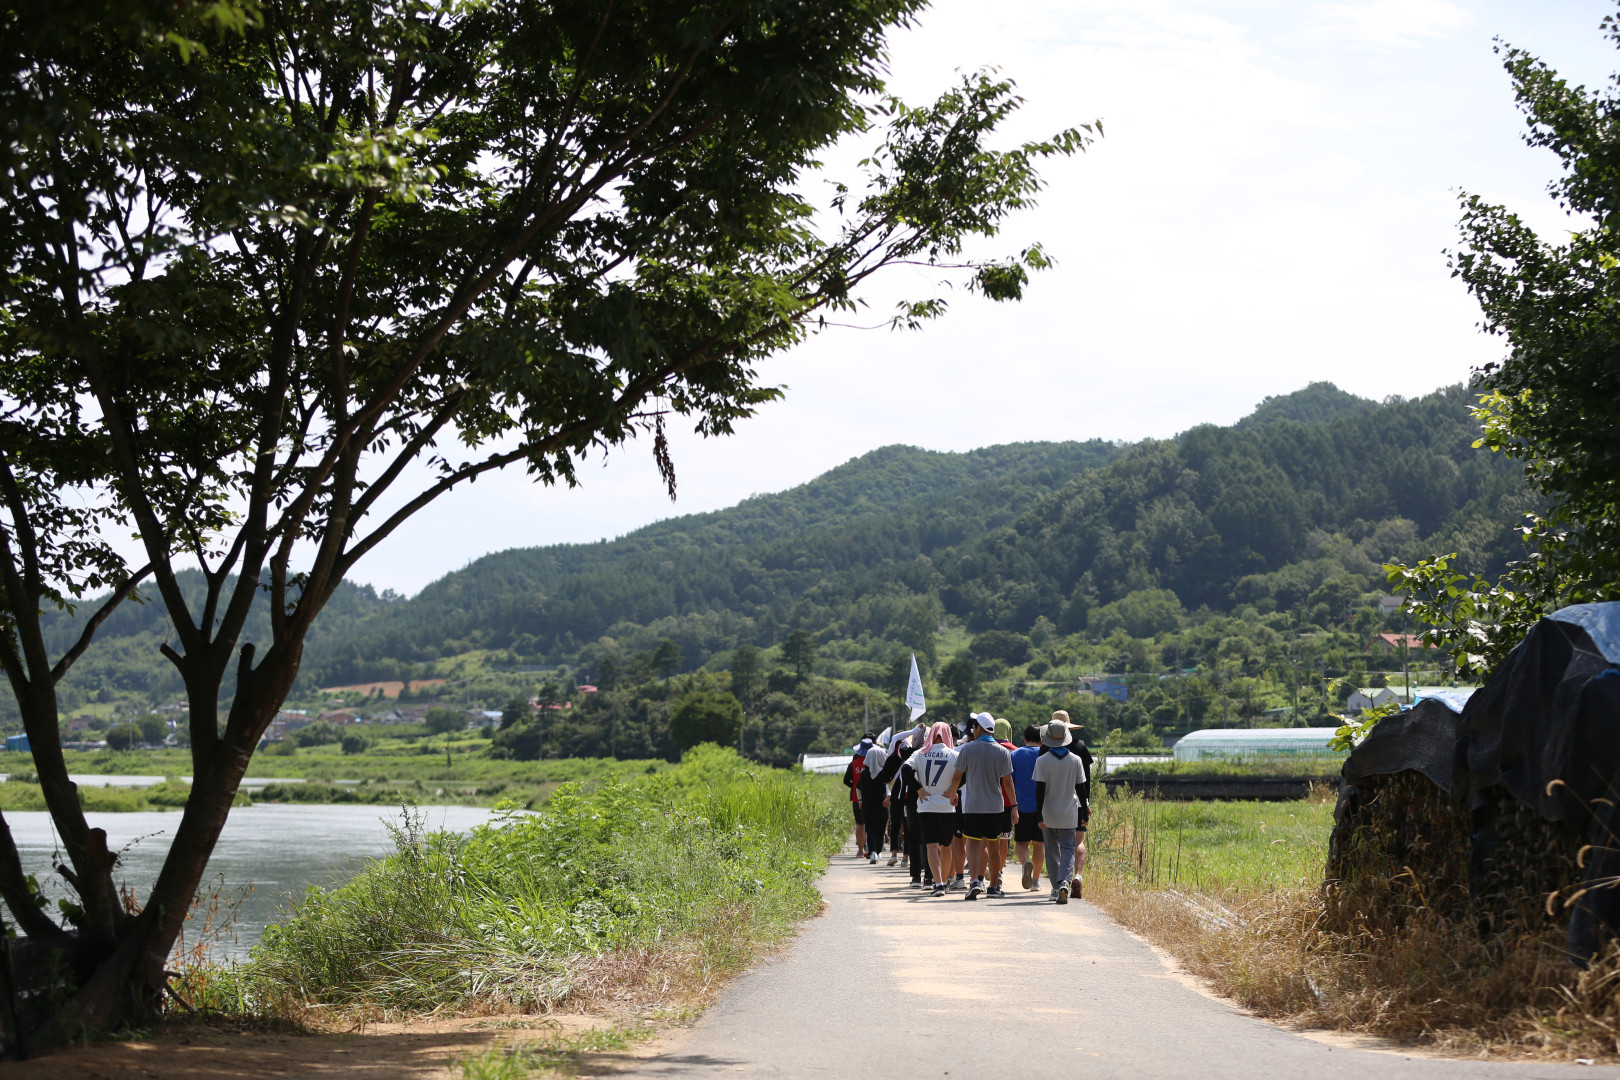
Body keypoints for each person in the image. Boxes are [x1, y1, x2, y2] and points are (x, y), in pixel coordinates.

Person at [945, 712, 1016, 900]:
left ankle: (975, 881)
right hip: (996, 806)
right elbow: (1008, 782)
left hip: (973, 805)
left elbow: (957, 776)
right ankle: (993, 887)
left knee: (974, 845)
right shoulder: (1002, 751)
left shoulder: (968, 749)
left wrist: (952, 794)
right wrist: (1015, 806)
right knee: (993, 846)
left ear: (979, 729)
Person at [1032, 716, 1088, 904]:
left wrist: (1039, 815)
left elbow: (1039, 791)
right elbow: (1081, 789)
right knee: (1068, 849)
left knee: (1051, 851)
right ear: (1065, 736)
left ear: (1047, 737)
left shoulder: (1042, 761)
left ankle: (1056, 888)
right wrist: (1084, 811)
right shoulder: (1075, 760)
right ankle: (1065, 881)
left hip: (1048, 813)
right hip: (1069, 813)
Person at [909, 721, 960, 897]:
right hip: (947, 807)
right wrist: (953, 790)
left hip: (926, 805)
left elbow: (905, 770)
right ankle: (944, 881)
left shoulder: (920, 753)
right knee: (946, 846)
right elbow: (964, 774)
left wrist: (918, 788)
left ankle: (937, 884)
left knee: (931, 845)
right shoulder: (954, 754)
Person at [1010, 724, 1045, 891]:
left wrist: (1013, 805)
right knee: (1039, 844)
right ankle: (1036, 881)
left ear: (1025, 739)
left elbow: (1010, 781)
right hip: (1042, 808)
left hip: (1022, 806)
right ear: (1041, 740)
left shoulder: (1015, 755)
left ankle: (1025, 864)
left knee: (1021, 842)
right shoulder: (1045, 754)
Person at [859, 734, 891, 863]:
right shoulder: (885, 774)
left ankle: (872, 852)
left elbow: (859, 788)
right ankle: (878, 851)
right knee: (881, 830)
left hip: (868, 806)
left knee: (870, 829)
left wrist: (860, 801)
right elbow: (889, 789)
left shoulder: (863, 774)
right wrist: (889, 798)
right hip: (882, 805)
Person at [841, 733, 874, 858]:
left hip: (856, 798)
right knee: (871, 823)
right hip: (872, 798)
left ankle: (860, 850)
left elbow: (846, 780)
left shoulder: (853, 764)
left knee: (860, 824)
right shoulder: (874, 764)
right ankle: (872, 849)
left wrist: (854, 787)